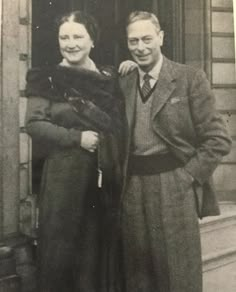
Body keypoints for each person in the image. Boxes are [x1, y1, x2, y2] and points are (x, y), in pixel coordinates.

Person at [118, 11, 232, 292]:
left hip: (173, 183)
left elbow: (218, 138)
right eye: (134, 41)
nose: (141, 47)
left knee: (178, 272)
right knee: (137, 271)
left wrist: (187, 177)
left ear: (161, 38)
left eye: (147, 39)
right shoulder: (125, 81)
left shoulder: (188, 78)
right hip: (132, 186)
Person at [25, 10, 132, 292]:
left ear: (92, 40)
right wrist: (77, 137)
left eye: (77, 36)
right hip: (64, 175)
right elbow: (34, 124)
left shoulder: (109, 78)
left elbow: (122, 121)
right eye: (64, 37)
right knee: (60, 251)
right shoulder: (45, 78)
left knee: (95, 251)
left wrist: (131, 69)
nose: (70, 43)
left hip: (103, 177)